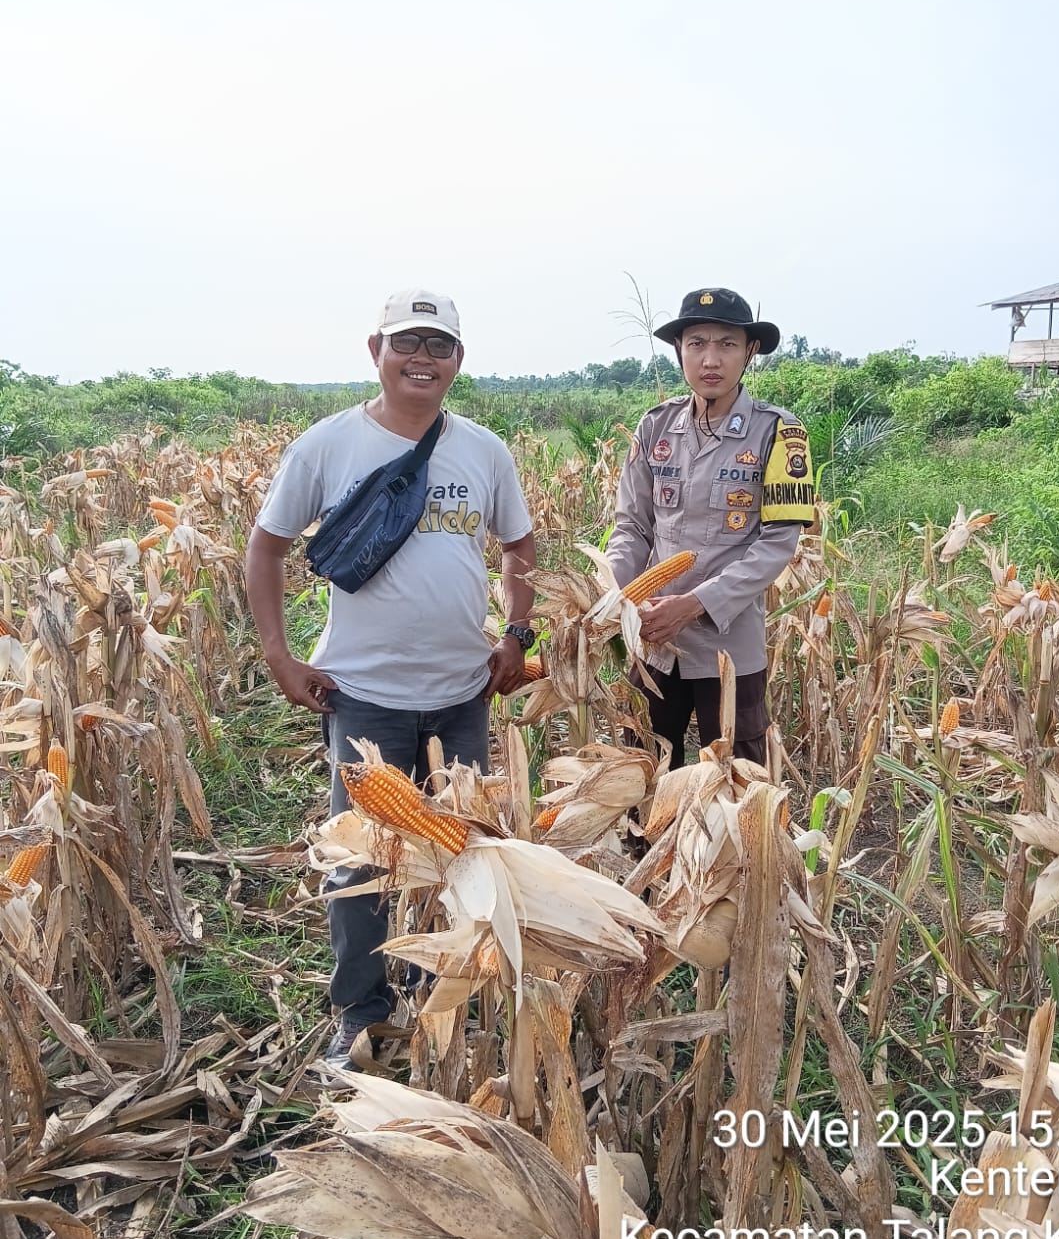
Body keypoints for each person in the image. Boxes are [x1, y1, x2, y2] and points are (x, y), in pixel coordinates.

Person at [245, 290, 536, 1067]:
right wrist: (279, 655)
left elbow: (519, 546)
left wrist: (516, 631)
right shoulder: (327, 445)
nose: (422, 359)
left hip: (463, 691)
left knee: (463, 851)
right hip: (364, 694)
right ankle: (362, 1010)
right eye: (407, 342)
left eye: (438, 345)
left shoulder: (484, 451)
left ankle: (441, 991)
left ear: (458, 360)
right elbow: (266, 547)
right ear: (375, 350)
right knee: (362, 861)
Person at [607, 287, 815, 770]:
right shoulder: (654, 428)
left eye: (726, 344)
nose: (711, 359)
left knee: (736, 781)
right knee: (641, 771)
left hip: (729, 647)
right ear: (679, 350)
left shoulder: (780, 433)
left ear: (750, 351)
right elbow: (632, 526)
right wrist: (611, 595)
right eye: (697, 343)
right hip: (653, 641)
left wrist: (695, 603)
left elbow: (776, 545)